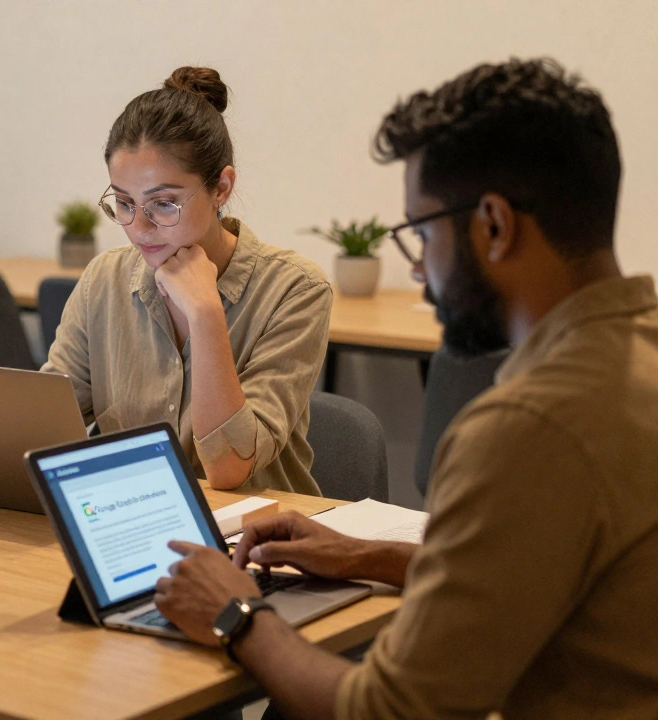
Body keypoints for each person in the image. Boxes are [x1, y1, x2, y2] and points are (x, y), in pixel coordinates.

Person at [155, 58, 658, 719]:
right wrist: (369, 556)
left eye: (421, 234)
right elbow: (544, 572)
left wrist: (236, 613)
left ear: (495, 226)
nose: (419, 271)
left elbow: (389, 711)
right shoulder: (637, 355)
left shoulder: (530, 426)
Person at [43, 67, 331, 494]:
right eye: (123, 202)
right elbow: (47, 426)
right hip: (137, 518)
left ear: (221, 188)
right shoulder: (104, 279)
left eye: (163, 203)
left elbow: (230, 467)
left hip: (256, 541)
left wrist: (205, 311)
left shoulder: (296, 289)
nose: (139, 228)